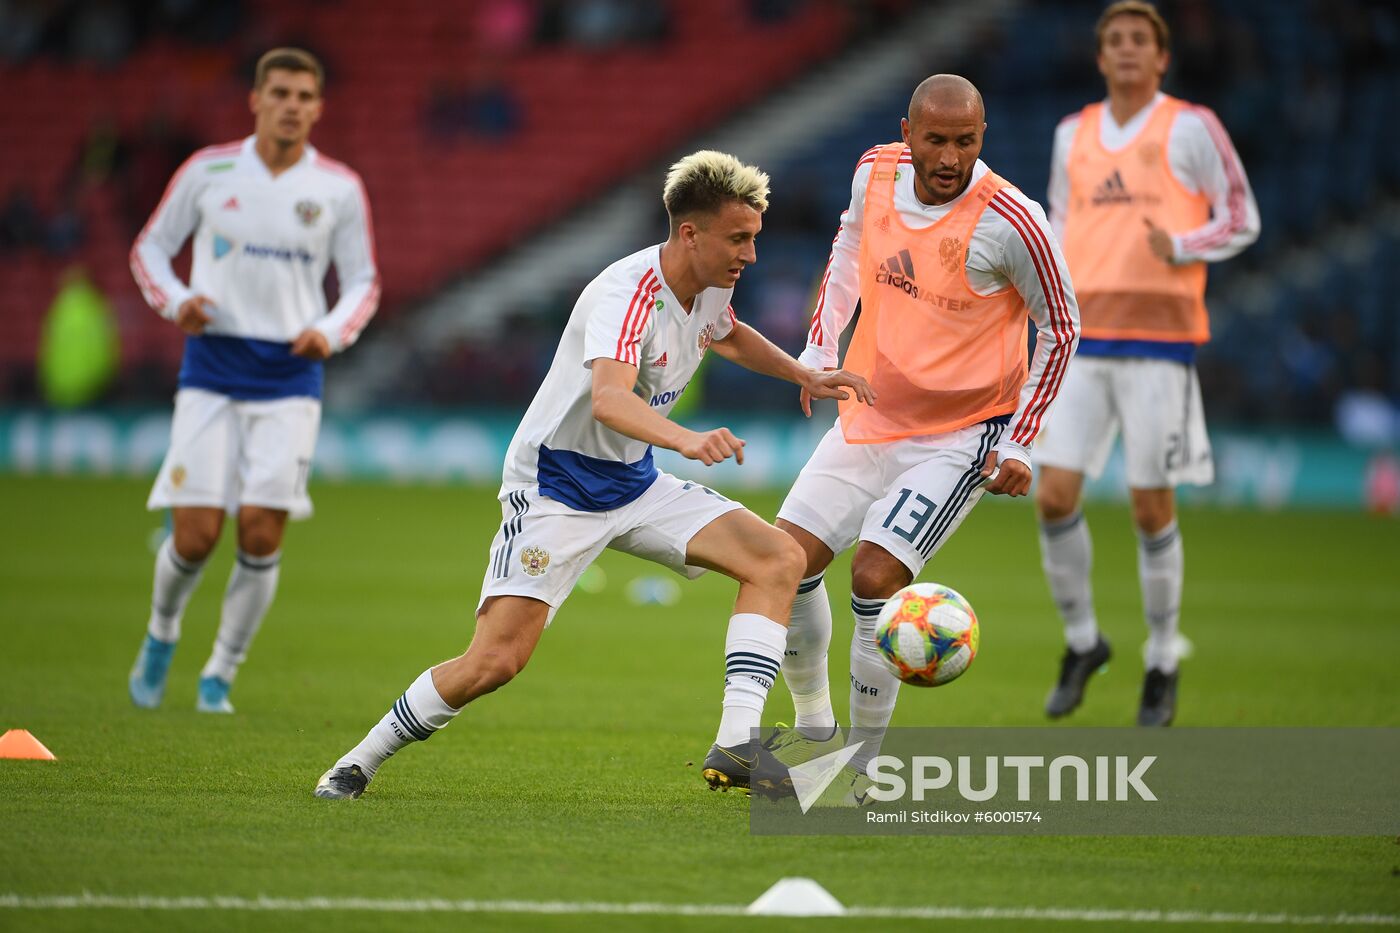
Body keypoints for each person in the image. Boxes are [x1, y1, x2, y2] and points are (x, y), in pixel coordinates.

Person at [313, 151, 875, 800]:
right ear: (690, 233)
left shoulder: (712, 279)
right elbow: (610, 398)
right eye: (739, 237)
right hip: (557, 485)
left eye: (753, 237)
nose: (750, 254)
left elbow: (725, 332)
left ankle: (742, 739)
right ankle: (357, 760)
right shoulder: (625, 293)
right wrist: (687, 439)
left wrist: (803, 373)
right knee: (495, 661)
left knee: (779, 558)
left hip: (633, 480)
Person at [765, 74, 1080, 802]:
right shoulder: (873, 172)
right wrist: (818, 348)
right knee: (782, 563)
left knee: (875, 576)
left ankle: (862, 766)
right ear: (907, 133)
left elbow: (1061, 328)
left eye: (965, 141)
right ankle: (814, 736)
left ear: (982, 138)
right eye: (935, 139)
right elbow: (848, 247)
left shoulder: (1013, 220)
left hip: (959, 434)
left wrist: (1021, 440)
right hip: (871, 408)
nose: (949, 156)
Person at [127, 48, 380, 714]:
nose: (293, 105)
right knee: (195, 534)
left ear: (319, 107)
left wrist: (331, 330)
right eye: (281, 92)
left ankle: (221, 671)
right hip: (211, 365)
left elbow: (362, 281)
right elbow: (150, 246)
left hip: (290, 373)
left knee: (262, 532)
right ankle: (161, 632)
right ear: (256, 100)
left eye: (305, 95)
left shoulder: (338, 187)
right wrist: (176, 298)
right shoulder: (208, 170)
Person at [1035, 1, 1259, 726]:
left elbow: (1241, 215)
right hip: (1082, 340)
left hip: (1160, 345)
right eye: (1115, 40)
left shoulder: (1190, 126)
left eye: (1141, 40)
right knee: (1053, 495)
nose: (1128, 50)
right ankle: (1082, 642)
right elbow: (1060, 227)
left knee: (1149, 506)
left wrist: (1186, 245)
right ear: (1100, 57)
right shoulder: (1072, 133)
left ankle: (1162, 656)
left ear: (1162, 57)